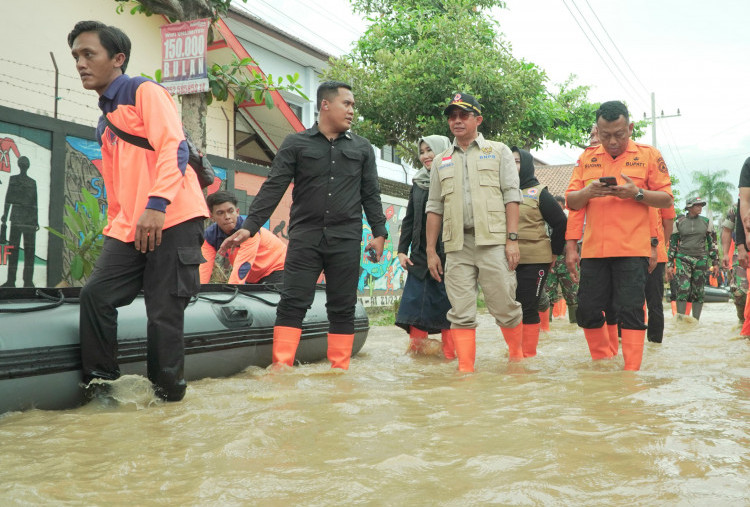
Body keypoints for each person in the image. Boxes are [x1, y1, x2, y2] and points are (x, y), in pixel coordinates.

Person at [68, 21, 209, 401]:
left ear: (118, 59)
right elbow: (116, 185)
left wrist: (157, 204)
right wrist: (117, 226)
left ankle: (167, 402)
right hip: (132, 225)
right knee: (96, 296)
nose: (80, 63)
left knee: (162, 314)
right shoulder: (105, 119)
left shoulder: (142, 90)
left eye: (88, 54)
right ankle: (103, 387)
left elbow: (174, 147)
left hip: (173, 216)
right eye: (76, 56)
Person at [219, 81, 387, 370]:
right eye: (346, 104)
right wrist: (250, 226)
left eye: (352, 106)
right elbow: (274, 186)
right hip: (305, 238)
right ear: (325, 105)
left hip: (346, 238)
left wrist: (379, 233)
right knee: (293, 302)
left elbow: (370, 194)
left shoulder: (362, 149)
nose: (351, 111)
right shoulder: (296, 144)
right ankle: (281, 370)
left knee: (342, 306)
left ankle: (340, 373)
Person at [565, 100, 673, 371]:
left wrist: (636, 193)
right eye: (605, 135)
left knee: (631, 311)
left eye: (619, 134)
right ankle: (603, 365)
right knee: (587, 311)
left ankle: (630, 374)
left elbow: (666, 200)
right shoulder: (587, 158)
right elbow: (572, 203)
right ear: (597, 131)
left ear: (630, 128)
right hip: (593, 251)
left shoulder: (649, 155)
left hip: (631, 250)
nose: (612, 141)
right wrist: (587, 193)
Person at [425, 92, 523, 371]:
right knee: (460, 312)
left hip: (493, 241)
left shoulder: (499, 151)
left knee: (504, 303)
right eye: (452, 116)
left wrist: (512, 240)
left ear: (477, 119)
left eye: (463, 115)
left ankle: (517, 359)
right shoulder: (441, 160)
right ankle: (465, 372)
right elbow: (434, 207)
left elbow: (511, 196)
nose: (456, 121)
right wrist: (432, 251)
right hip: (457, 244)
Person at [395, 135, 454, 359]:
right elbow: (409, 218)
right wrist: (402, 250)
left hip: (447, 254)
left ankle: (451, 355)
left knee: (446, 306)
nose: (426, 156)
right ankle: (418, 357)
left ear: (442, 151)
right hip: (419, 256)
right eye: (422, 151)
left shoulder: (454, 179)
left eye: (430, 150)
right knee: (414, 306)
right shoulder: (418, 182)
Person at [511, 147, 567, 357]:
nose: (513, 165)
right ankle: (514, 353)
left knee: (528, 306)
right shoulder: (501, 191)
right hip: (507, 260)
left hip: (535, 259)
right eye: (510, 161)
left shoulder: (538, 191)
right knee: (510, 307)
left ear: (525, 165)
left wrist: (554, 253)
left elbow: (561, 222)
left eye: (517, 161)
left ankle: (528, 356)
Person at [200, 191, 285, 285]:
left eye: (230, 211)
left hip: (278, 267)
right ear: (212, 217)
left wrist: (231, 292)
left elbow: (243, 265)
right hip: (254, 277)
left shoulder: (248, 230)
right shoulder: (210, 236)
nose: (227, 217)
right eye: (220, 213)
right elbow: (203, 269)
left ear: (237, 212)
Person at [668, 196, 718, 320]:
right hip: (683, 258)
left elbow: (712, 243)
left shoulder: (706, 222)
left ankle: (695, 322)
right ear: (689, 207)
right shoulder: (679, 222)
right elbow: (673, 244)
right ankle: (680, 320)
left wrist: (715, 262)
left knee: (699, 292)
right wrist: (669, 264)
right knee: (683, 289)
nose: (700, 207)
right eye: (697, 205)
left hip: (701, 259)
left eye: (701, 205)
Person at [1, 156, 38, 288]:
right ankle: (17, 281)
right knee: (24, 252)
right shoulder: (27, 181)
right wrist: (5, 216)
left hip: (22, 220)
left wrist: (5, 215)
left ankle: (24, 281)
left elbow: (34, 203)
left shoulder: (17, 180)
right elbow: (9, 199)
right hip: (24, 221)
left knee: (21, 251)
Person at [645, 205, 674, 343]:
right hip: (629, 253)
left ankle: (655, 342)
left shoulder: (661, 194)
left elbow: (668, 224)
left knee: (655, 302)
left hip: (657, 255)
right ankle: (624, 340)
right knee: (628, 301)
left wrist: (660, 246)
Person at [720, 201, 748, 322]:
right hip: (742, 253)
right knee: (740, 294)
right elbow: (727, 231)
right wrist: (725, 254)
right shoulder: (735, 209)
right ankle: (742, 322)